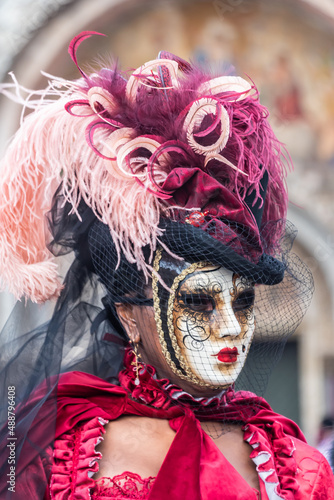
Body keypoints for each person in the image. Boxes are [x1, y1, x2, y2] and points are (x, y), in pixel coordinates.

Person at [0, 31, 333, 499]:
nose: (231, 327)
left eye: (242, 302)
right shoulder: (51, 451)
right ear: (131, 315)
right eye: (198, 301)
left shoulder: (295, 465)